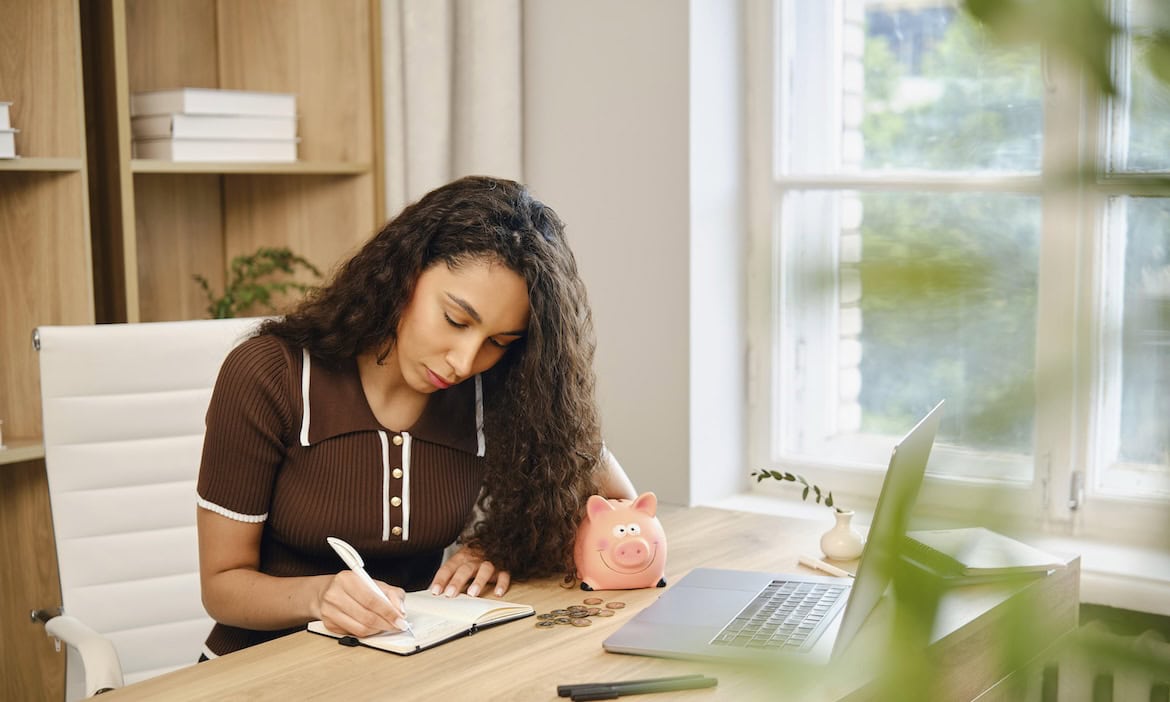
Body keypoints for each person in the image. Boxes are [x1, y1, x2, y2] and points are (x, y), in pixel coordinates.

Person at [195, 175, 637, 659]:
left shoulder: (492, 393)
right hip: (257, 672)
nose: (464, 362)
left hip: (405, 671)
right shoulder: (272, 375)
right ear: (404, 273)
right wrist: (318, 596)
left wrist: (500, 546)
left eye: (498, 342)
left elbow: (619, 501)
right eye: (456, 320)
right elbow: (222, 586)